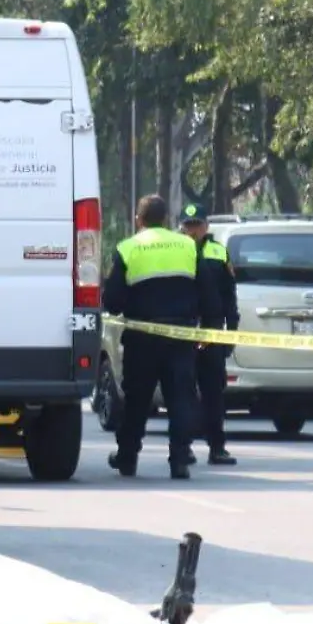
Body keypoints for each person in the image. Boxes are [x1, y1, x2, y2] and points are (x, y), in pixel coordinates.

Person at [103, 195, 218, 480]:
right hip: (181, 338)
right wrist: (209, 331)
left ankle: (127, 458)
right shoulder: (187, 246)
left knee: (136, 401)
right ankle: (179, 460)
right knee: (181, 398)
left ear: (138, 220)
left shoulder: (128, 248)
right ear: (166, 219)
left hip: (142, 339)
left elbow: (113, 301)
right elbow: (209, 295)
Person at [180, 203, 239, 466]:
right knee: (183, 392)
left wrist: (231, 332)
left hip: (212, 331)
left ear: (206, 226)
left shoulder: (219, 252)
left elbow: (229, 296)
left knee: (214, 392)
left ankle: (217, 447)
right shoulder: (176, 251)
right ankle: (185, 447)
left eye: (197, 225)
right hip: (183, 330)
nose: (193, 230)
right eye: (188, 225)